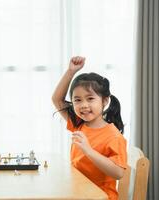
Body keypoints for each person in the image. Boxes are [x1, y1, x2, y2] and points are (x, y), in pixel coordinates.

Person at [52, 56, 127, 200]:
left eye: (90, 98)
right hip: (79, 193)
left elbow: (118, 172)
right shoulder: (78, 123)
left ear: (104, 101)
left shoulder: (114, 136)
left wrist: (88, 150)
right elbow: (57, 99)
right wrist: (70, 72)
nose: (84, 105)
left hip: (101, 197)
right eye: (77, 100)